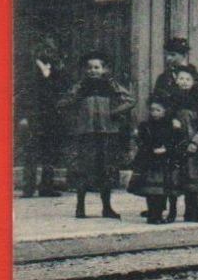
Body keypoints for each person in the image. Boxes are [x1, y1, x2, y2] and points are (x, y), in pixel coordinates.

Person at [63, 52, 135, 220]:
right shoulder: (80, 86)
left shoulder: (111, 85)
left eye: (97, 67)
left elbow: (130, 100)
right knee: (83, 169)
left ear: (105, 69)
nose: (92, 71)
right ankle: (80, 208)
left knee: (106, 169)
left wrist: (113, 112)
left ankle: (107, 207)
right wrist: (76, 114)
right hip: (85, 133)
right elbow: (65, 102)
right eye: (89, 68)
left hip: (107, 132)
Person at [154, 64, 198, 222]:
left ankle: (192, 211)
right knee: (175, 178)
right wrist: (172, 121)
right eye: (181, 78)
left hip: (194, 145)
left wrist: (195, 142)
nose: (184, 82)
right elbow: (163, 117)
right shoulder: (171, 99)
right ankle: (172, 212)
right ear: (176, 81)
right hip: (176, 143)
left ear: (194, 81)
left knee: (192, 179)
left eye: (187, 79)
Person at [18, 41, 69, 197]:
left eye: (52, 50)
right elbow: (24, 95)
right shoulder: (29, 70)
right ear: (37, 51)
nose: (49, 53)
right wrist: (23, 116)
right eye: (45, 50)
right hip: (33, 116)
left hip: (50, 117)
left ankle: (46, 187)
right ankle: (28, 188)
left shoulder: (54, 70)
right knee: (31, 151)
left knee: (49, 152)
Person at [128, 96, 182, 224]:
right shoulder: (145, 125)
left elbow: (177, 143)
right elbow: (141, 141)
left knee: (167, 190)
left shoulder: (171, 126)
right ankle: (153, 215)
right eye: (152, 110)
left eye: (158, 110)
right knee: (152, 191)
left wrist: (167, 149)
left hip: (166, 160)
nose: (154, 113)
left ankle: (170, 212)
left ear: (165, 111)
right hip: (151, 161)